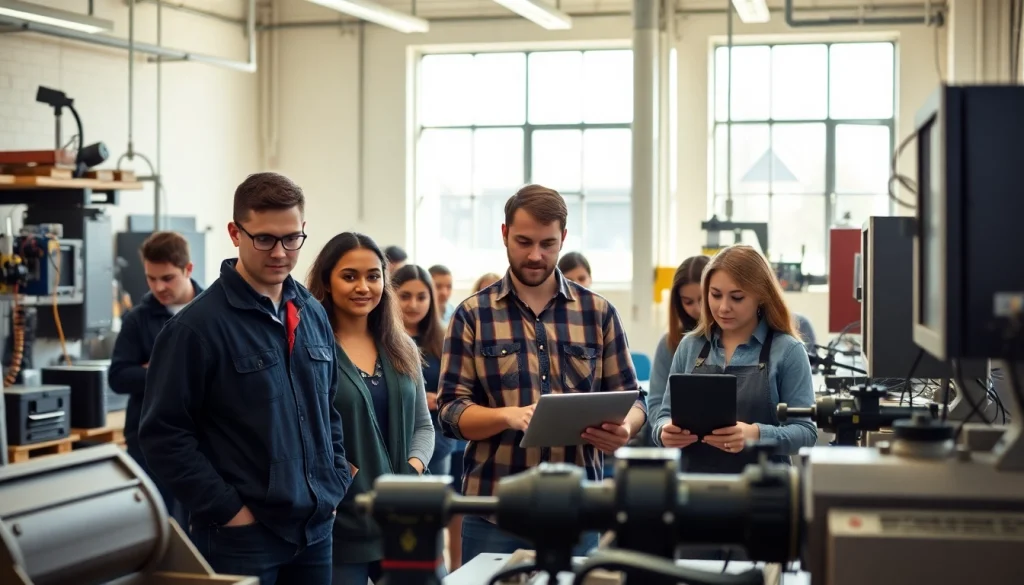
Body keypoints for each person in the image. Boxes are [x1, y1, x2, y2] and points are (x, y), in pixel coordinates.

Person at [139, 172, 352, 585]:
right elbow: (163, 436)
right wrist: (229, 511)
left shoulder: (312, 313)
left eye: (292, 238)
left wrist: (333, 482)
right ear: (235, 233)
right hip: (241, 538)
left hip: (315, 528)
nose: (280, 252)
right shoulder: (196, 328)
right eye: (265, 239)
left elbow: (327, 409)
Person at [437, 184, 647, 565]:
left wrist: (625, 429)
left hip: (578, 511)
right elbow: (451, 411)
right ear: (504, 234)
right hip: (492, 512)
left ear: (563, 238)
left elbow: (634, 399)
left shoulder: (598, 313)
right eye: (523, 241)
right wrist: (507, 416)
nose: (535, 255)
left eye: (548, 244)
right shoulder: (473, 315)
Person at [306, 233, 434, 585]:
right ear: (327, 283)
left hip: (402, 519)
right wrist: (343, 481)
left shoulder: (400, 345)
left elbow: (424, 426)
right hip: (342, 522)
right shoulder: (312, 349)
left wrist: (412, 470)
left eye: (373, 276)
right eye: (349, 276)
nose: (363, 287)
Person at [653, 245, 817, 474]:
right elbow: (663, 415)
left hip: (764, 489)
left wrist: (756, 434)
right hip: (693, 488)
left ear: (761, 296)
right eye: (715, 295)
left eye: (737, 297)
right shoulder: (690, 346)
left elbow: (806, 432)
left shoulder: (788, 351)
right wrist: (664, 431)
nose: (723, 308)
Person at [109, 230, 202, 531]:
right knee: (155, 528)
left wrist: (156, 369)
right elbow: (119, 377)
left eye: (168, 278)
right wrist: (167, 371)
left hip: (204, 443)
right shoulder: (137, 319)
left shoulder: (214, 314)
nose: (158, 287)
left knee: (199, 529)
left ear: (188, 269)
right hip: (149, 444)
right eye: (151, 278)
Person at [393, 263, 462, 569]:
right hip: (393, 439)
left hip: (435, 439)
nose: (413, 304)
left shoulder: (442, 340)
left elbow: (458, 390)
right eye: (405, 296)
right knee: (399, 515)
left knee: (432, 514)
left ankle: (439, 569)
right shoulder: (383, 338)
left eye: (421, 297)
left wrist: (435, 400)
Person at [643, 255, 709, 445]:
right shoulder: (671, 343)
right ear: (678, 303)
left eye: (703, 299)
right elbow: (656, 405)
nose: (697, 309)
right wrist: (666, 428)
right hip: (686, 447)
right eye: (688, 302)